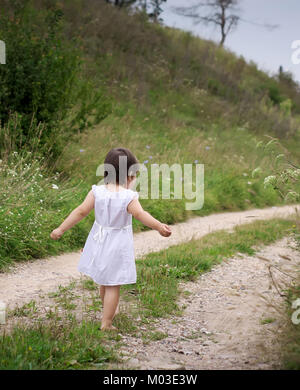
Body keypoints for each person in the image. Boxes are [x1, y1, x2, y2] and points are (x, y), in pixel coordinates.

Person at [50, 147, 172, 330]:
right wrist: (158, 226)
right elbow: (140, 214)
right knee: (113, 284)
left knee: (103, 279)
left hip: (99, 241)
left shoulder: (97, 191)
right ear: (129, 176)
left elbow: (81, 211)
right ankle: (107, 322)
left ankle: (108, 311)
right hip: (116, 244)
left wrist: (61, 228)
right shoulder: (128, 197)